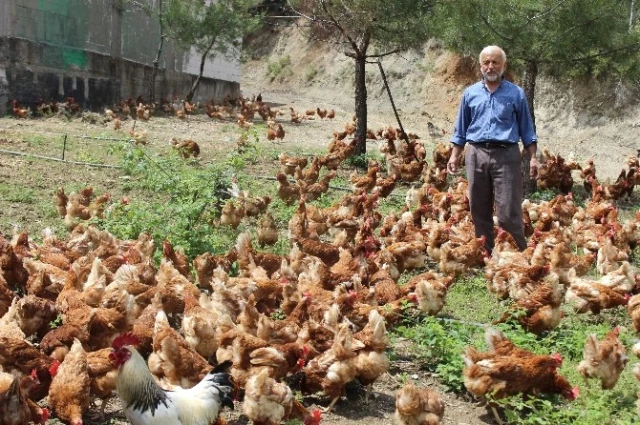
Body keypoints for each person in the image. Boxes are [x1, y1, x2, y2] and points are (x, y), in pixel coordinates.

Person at [447, 45, 539, 253]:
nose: (490, 66)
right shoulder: (470, 94)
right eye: (486, 63)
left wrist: (533, 157)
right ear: (480, 66)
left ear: (503, 65)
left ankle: (514, 255)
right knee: (478, 208)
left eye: (495, 62)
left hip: (506, 155)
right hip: (476, 153)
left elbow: (527, 129)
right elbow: (460, 129)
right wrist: (455, 155)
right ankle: (486, 252)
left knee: (508, 210)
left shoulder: (516, 94)